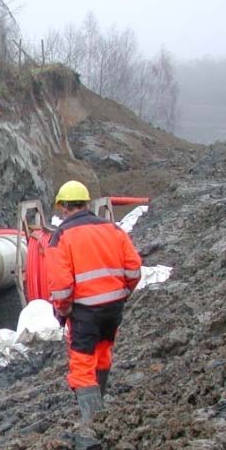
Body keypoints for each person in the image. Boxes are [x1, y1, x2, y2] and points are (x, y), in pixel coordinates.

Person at [45, 180, 142, 423]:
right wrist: (121, 294)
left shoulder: (61, 237)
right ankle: (101, 403)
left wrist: (64, 310)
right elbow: (134, 269)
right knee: (103, 352)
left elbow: (61, 285)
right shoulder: (113, 230)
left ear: (64, 208)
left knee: (82, 363)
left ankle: (92, 422)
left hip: (84, 312)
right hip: (113, 308)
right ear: (86, 204)